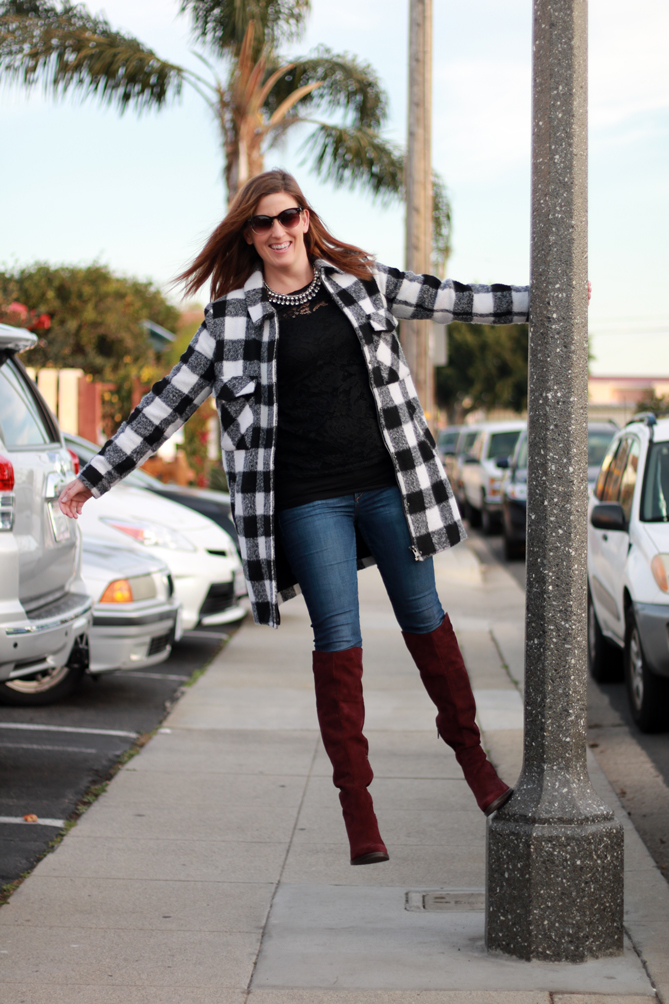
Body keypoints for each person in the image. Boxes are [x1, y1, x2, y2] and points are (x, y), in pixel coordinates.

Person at [59, 169, 531, 867]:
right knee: (337, 640)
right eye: (261, 224)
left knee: (425, 620)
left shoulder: (361, 281)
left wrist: (542, 300)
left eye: (286, 217)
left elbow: (449, 300)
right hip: (307, 500)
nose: (276, 232)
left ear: (305, 219)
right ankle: (358, 808)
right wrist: (94, 477)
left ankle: (478, 771)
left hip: (387, 486)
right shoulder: (229, 319)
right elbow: (169, 402)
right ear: (247, 236)